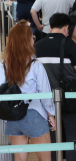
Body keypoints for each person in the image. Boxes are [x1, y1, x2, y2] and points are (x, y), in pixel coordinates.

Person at [0, 22, 56, 161]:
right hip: (34, 114)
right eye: (32, 38)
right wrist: (51, 115)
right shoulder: (35, 64)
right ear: (26, 41)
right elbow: (45, 93)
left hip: (12, 117)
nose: (33, 40)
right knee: (45, 158)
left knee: (19, 159)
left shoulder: (3, 65)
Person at [34, 13, 76, 161]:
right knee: (72, 138)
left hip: (46, 101)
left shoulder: (38, 45)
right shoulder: (68, 43)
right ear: (66, 28)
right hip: (69, 98)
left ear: (50, 27)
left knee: (52, 139)